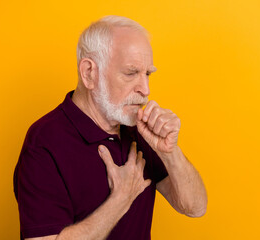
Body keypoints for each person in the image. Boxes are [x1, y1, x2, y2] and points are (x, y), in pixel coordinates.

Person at [13, 15, 207, 240]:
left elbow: (195, 207)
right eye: (131, 73)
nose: (145, 89)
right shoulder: (44, 143)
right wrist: (121, 199)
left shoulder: (138, 128)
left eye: (148, 74)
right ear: (89, 73)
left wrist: (170, 152)